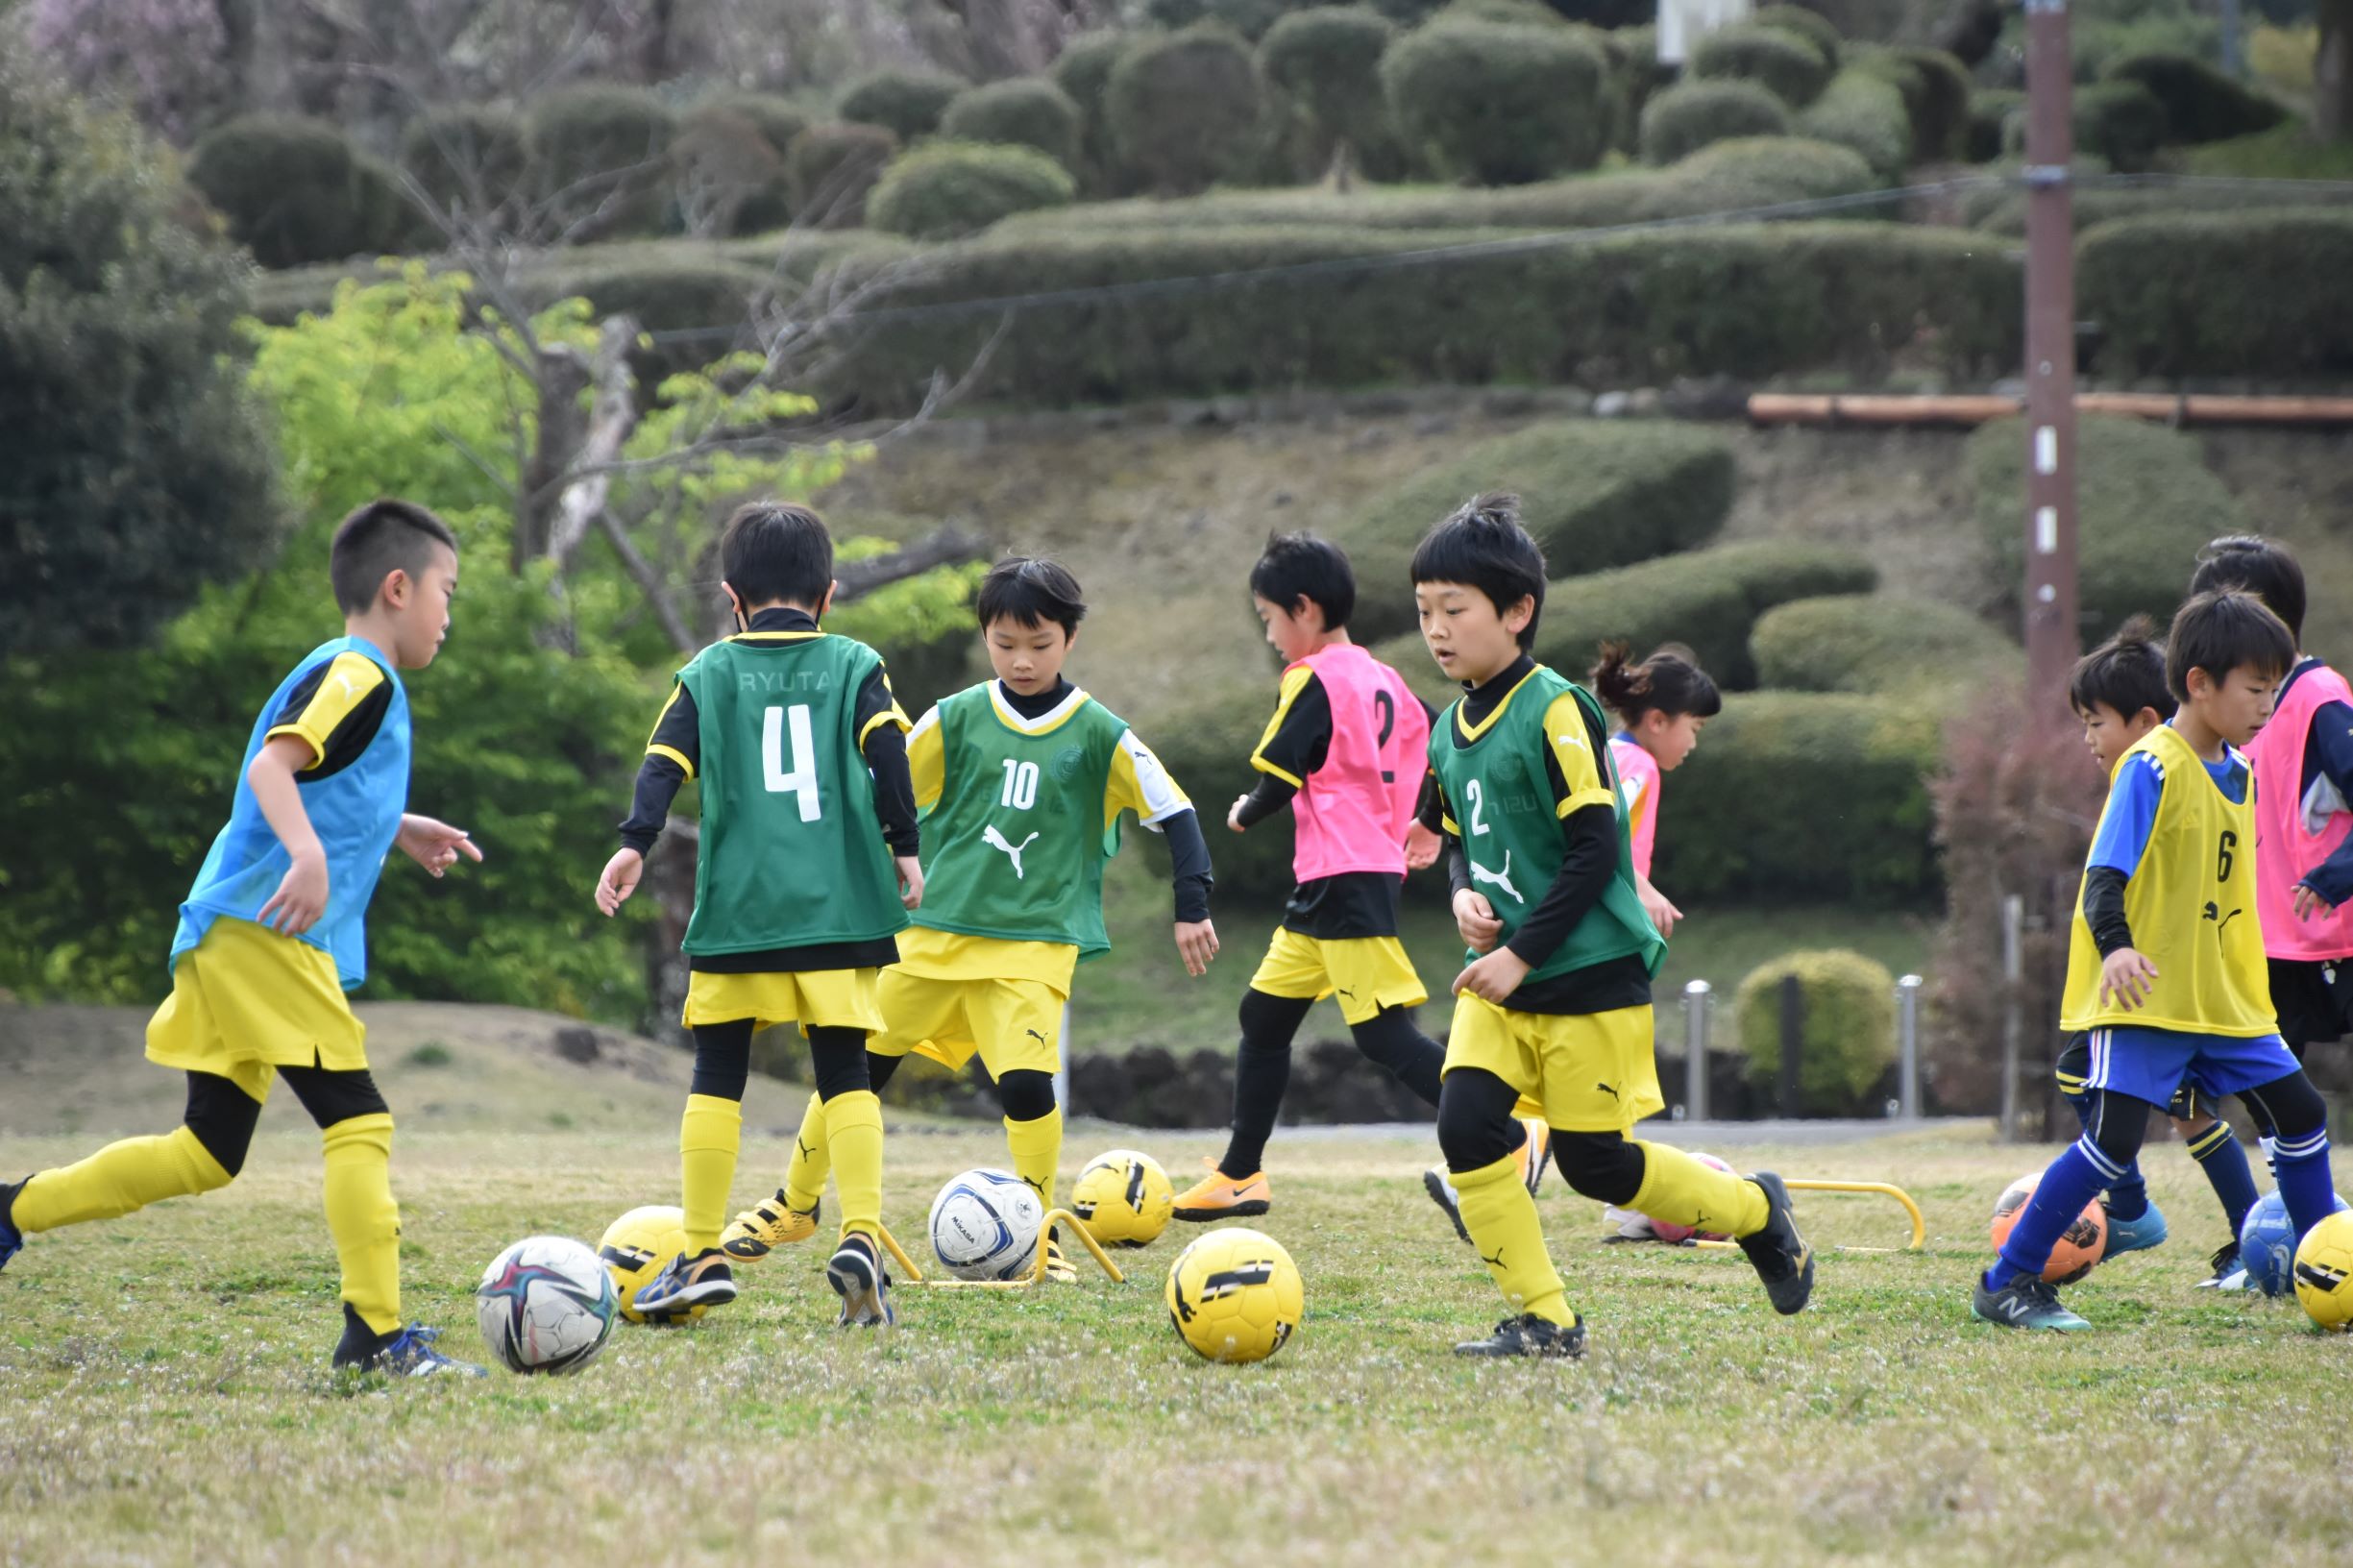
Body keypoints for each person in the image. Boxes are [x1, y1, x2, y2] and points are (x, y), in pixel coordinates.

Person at [0, 500, 485, 1376]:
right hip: (268, 935)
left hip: (232, 928)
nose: (449, 612)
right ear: (398, 587)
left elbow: (324, 783)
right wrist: (308, 856)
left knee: (206, 1152)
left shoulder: (348, 673)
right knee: (359, 1117)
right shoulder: (361, 674)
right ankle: (375, 1338)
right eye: (447, 591)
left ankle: (10, 1212)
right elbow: (272, 766)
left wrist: (397, 827)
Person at [730, 557, 1218, 1277]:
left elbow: (1175, 812)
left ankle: (1040, 1236)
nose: (1021, 661)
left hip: (1032, 944)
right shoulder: (954, 718)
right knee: (855, 1067)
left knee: (1026, 1085)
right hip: (930, 933)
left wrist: (1191, 905)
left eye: (1039, 644)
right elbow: (881, 788)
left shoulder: (1100, 733)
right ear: (985, 636)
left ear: (1070, 638)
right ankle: (794, 1204)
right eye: (1004, 643)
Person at [1409, 495, 1813, 1358]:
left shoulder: (1555, 710)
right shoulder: (1446, 730)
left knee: (1597, 1164)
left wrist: (1520, 954)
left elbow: (1598, 849)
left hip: (1585, 974)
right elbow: (1455, 841)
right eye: (1423, 611)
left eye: (1454, 609)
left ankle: (1755, 1211)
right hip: (1503, 979)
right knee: (1465, 1128)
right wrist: (1461, 896)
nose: (1435, 629)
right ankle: (1546, 1320)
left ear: (1517, 611)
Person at [1973, 589, 2338, 1331]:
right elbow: (2103, 877)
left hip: (2226, 1001)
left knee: (2301, 1114)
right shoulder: (2151, 767)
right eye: (2255, 688)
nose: (2267, 703)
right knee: (2111, 1144)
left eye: (2273, 687)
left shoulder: (2239, 772)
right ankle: (2005, 1284)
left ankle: (2323, 1274)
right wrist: (2116, 950)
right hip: (2148, 998)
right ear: (2198, 684)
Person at [595, 502, 920, 1330]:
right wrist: (905, 846)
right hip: (838, 909)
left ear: (732, 598)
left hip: (740, 911)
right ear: (828, 594)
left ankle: (703, 1251)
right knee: (845, 1073)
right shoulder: (854, 663)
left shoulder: (707, 672)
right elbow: (888, 749)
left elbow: (662, 762)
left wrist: (634, 843)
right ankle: (861, 1236)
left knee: (717, 1074)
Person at [1170, 532, 1552, 1225]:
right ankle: (1240, 1175)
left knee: (1382, 1037)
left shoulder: (1312, 677)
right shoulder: (1385, 678)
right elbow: (1442, 746)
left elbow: (1283, 766)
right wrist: (1427, 823)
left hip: (1345, 880)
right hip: (1333, 882)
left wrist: (1245, 810)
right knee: (1262, 1018)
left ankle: (1509, 1131)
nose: (1271, 635)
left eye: (1269, 619)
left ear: (1304, 609)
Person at [2048, 618, 2263, 1286]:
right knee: (2189, 1109)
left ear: (2144, 721)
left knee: (2106, 1085)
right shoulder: (2161, 774)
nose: (2088, 739)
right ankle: (2243, 1234)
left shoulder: (2156, 772)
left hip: (2159, 993)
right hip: (2165, 987)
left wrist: (2120, 948)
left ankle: (2139, 1210)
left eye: (2095, 723)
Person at [2187, 537, 2353, 1185]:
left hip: (2329, 932)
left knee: (2277, 1087)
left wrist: (2335, 875)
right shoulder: (2235, 711)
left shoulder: (2319, 696)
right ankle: (2295, 1209)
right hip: (2263, 935)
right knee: (2266, 1087)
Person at [1593, 642, 1719, 941]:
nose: (1693, 744)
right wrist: (1641, 887)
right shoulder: (1639, 765)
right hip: (1602, 921)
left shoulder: (1609, 752)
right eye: (1695, 729)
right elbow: (1593, 830)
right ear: (1658, 721)